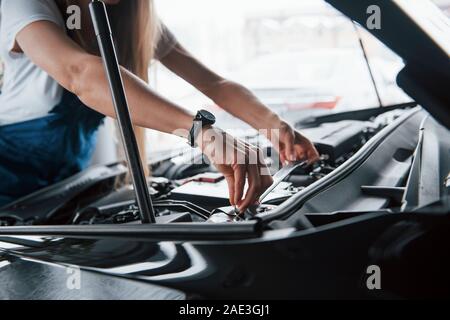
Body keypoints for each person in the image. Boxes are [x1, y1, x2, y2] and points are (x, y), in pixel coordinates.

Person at [0, 0, 319, 212]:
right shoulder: (27, 4)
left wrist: (275, 125)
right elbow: (80, 74)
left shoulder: (133, 16)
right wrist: (204, 134)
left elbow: (214, 84)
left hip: (65, 190)